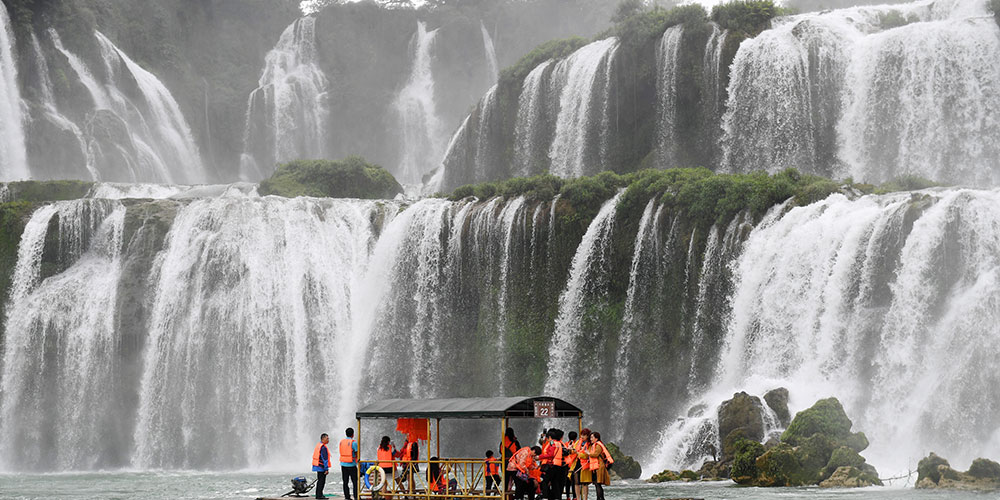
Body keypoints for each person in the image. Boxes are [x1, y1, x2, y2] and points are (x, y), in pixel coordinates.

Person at [584, 432, 613, 500]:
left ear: (596, 438)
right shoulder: (596, 445)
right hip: (597, 466)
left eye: (592, 437)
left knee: (598, 484)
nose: (590, 439)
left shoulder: (598, 445)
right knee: (597, 484)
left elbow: (595, 454)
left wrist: (588, 453)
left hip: (599, 466)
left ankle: (599, 498)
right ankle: (601, 498)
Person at [539, 429, 565, 500]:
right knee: (555, 482)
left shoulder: (552, 443)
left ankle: (545, 496)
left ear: (550, 437)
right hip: (558, 465)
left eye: (547, 438)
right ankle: (557, 497)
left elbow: (550, 454)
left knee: (545, 481)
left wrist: (539, 457)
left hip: (551, 464)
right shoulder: (559, 443)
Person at [340, 428, 359, 500]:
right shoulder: (353, 443)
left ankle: (347, 497)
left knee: (345, 482)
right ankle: (356, 496)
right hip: (352, 465)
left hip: (343, 464)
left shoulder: (341, 442)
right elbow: (356, 453)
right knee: (355, 482)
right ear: (353, 434)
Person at [313, 433, 331, 499]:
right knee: (321, 482)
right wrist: (326, 469)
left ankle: (319, 494)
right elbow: (325, 459)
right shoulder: (323, 447)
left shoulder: (319, 445)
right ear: (323, 439)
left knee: (320, 481)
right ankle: (319, 495)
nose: (328, 440)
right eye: (327, 438)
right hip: (321, 467)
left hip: (318, 466)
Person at [562, 431, 579, 500]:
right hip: (574, 464)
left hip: (566, 464)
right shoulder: (577, 444)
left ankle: (568, 496)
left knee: (567, 482)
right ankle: (575, 496)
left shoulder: (566, 444)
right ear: (575, 438)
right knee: (574, 482)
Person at [575, 429, 591, 500]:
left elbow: (586, 455)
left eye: (584, 435)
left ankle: (585, 498)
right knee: (576, 482)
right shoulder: (578, 442)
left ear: (588, 436)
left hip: (585, 464)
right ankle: (578, 498)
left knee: (585, 483)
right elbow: (574, 449)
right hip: (577, 463)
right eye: (581, 435)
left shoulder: (589, 444)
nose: (582, 436)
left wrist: (578, 453)